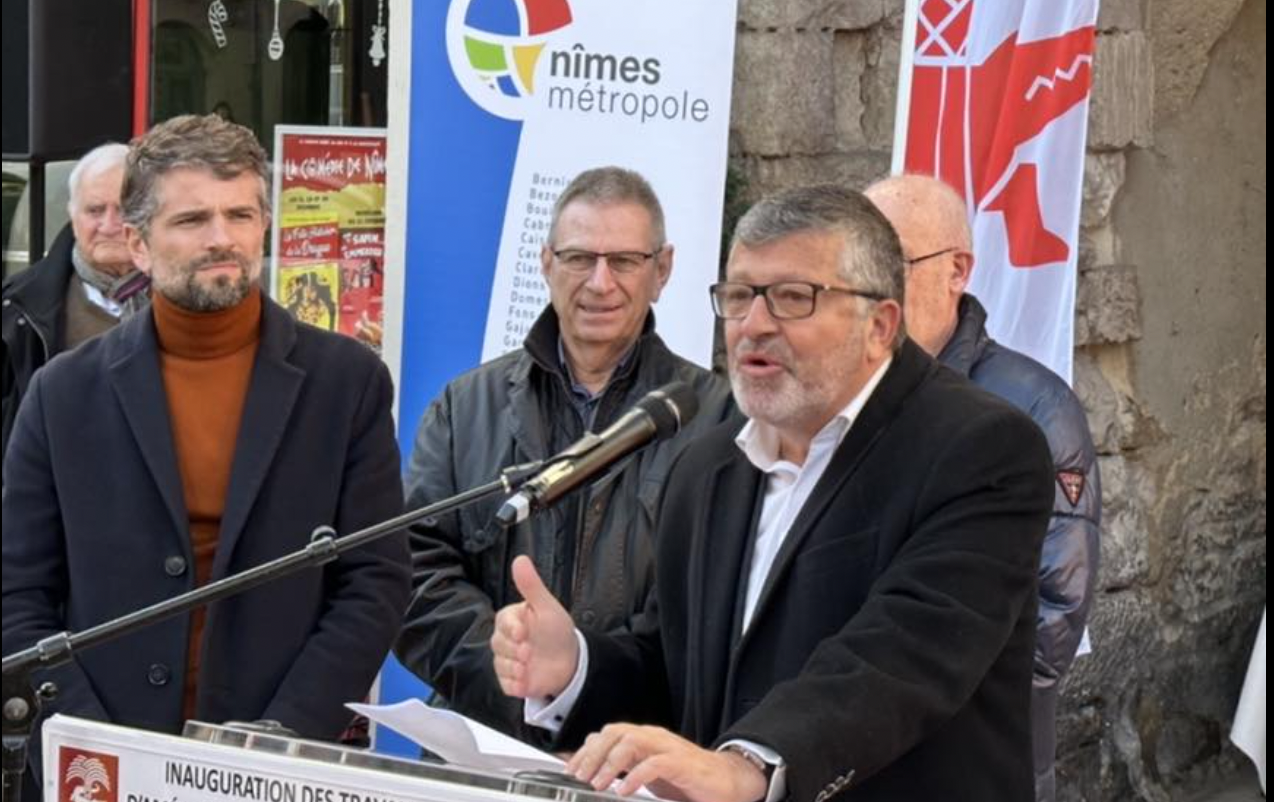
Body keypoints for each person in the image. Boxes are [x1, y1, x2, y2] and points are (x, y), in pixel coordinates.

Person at [492, 185, 1055, 801]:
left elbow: (901, 657)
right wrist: (574, 667)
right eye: (738, 296)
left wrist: (748, 767)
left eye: (793, 298)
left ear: (880, 325)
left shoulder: (982, 448)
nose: (753, 325)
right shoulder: (707, 464)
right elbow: (676, 667)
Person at [1, 114, 411, 785]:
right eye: (193, 220)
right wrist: (87, 743)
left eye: (240, 214)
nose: (223, 239)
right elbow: (17, 592)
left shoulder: (347, 382)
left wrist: (283, 736)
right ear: (137, 242)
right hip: (98, 762)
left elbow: (374, 581)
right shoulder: (62, 394)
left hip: (274, 762)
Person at [394, 166, 735, 737]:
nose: (601, 283)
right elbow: (410, 570)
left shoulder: (719, 418)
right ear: (547, 262)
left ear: (663, 270)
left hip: (638, 754)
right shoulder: (465, 406)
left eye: (625, 261)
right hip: (485, 743)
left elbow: (711, 610)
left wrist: (582, 676)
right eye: (580, 258)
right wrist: (514, 671)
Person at [865, 174, 1101, 802]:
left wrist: (937, 727)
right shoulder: (839, 397)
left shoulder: (1035, 408)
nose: (867, 286)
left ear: (956, 271)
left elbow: (1057, 605)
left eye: (891, 262)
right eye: (855, 261)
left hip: (971, 762)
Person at [2, 143, 150, 459]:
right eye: (95, 210)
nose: (110, 226)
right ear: (72, 214)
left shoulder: (190, 297)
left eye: (125, 209)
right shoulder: (17, 309)